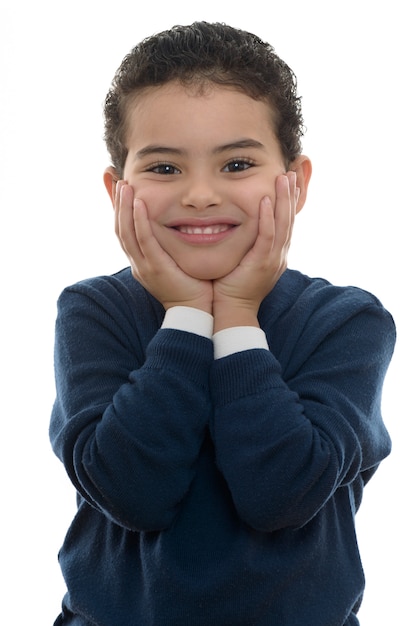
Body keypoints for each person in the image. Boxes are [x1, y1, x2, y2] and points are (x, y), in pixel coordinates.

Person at [49, 21, 396, 626]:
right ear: (118, 190)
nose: (201, 194)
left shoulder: (347, 321)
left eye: (237, 163)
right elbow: (135, 492)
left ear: (296, 182)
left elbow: (281, 495)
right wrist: (186, 318)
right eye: (163, 169)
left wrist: (235, 316)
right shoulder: (93, 312)